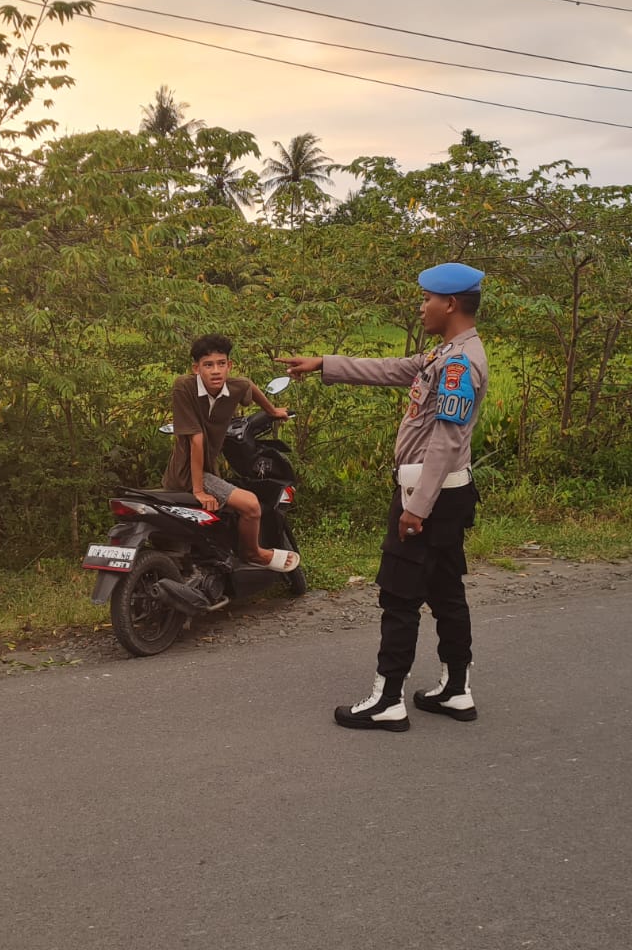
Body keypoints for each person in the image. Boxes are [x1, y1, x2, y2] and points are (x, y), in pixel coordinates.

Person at [281, 262, 488, 732]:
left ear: (450, 303)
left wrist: (416, 508)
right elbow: (395, 369)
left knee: (399, 595)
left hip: (426, 495)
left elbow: (447, 441)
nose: (421, 308)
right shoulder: (447, 353)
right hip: (447, 495)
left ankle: (388, 699)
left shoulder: (459, 363)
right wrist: (324, 365)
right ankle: (457, 690)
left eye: (427, 300)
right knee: (446, 592)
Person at [164, 334, 299, 572]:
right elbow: (196, 439)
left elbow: (249, 386)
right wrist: (198, 489)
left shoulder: (235, 387)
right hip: (185, 474)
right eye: (208, 365)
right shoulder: (183, 387)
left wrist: (272, 411)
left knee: (233, 508)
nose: (216, 371)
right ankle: (253, 553)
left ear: (229, 365)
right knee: (251, 505)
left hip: (207, 471)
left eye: (221, 363)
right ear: (196, 369)